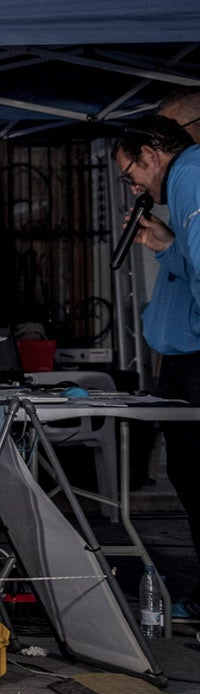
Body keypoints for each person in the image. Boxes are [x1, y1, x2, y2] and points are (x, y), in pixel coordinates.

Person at [113, 115, 200, 623]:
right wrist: (166, 247)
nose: (135, 186)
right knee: (189, 477)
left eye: (131, 173)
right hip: (182, 361)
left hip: (194, 363)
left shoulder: (189, 173)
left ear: (151, 153)